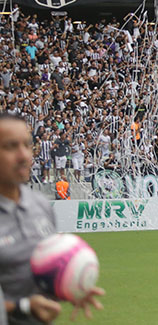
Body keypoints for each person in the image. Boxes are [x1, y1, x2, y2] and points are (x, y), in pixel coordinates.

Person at [0, 113, 104, 324]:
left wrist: (69, 285)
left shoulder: (40, 205)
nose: (23, 155)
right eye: (11, 146)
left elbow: (40, 275)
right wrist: (24, 306)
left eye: (27, 145)